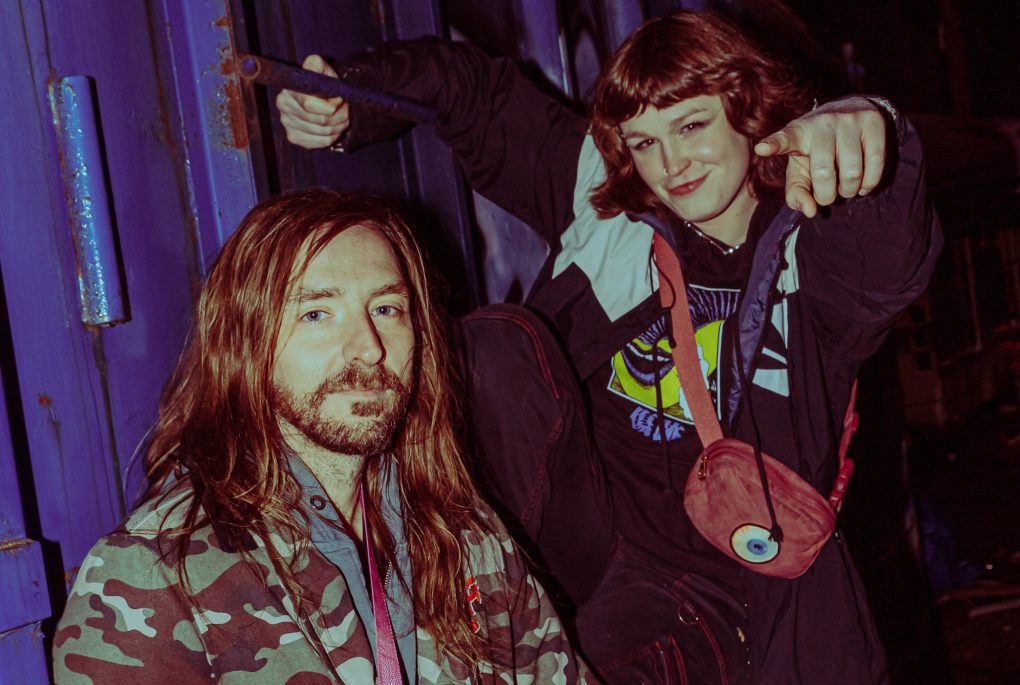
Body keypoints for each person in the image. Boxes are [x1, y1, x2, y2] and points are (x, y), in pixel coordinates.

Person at [276, 10, 942, 684]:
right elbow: (477, 95)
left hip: (738, 593)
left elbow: (892, 257)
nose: (672, 164)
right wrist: (351, 97)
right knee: (495, 351)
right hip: (594, 549)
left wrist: (872, 125)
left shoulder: (815, 249)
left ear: (747, 111)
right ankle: (449, 597)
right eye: (645, 141)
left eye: (691, 126)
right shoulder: (610, 217)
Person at [52, 191, 591, 684]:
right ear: (247, 344)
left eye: (386, 309)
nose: (369, 348)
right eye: (317, 314)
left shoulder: (466, 535)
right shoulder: (151, 574)